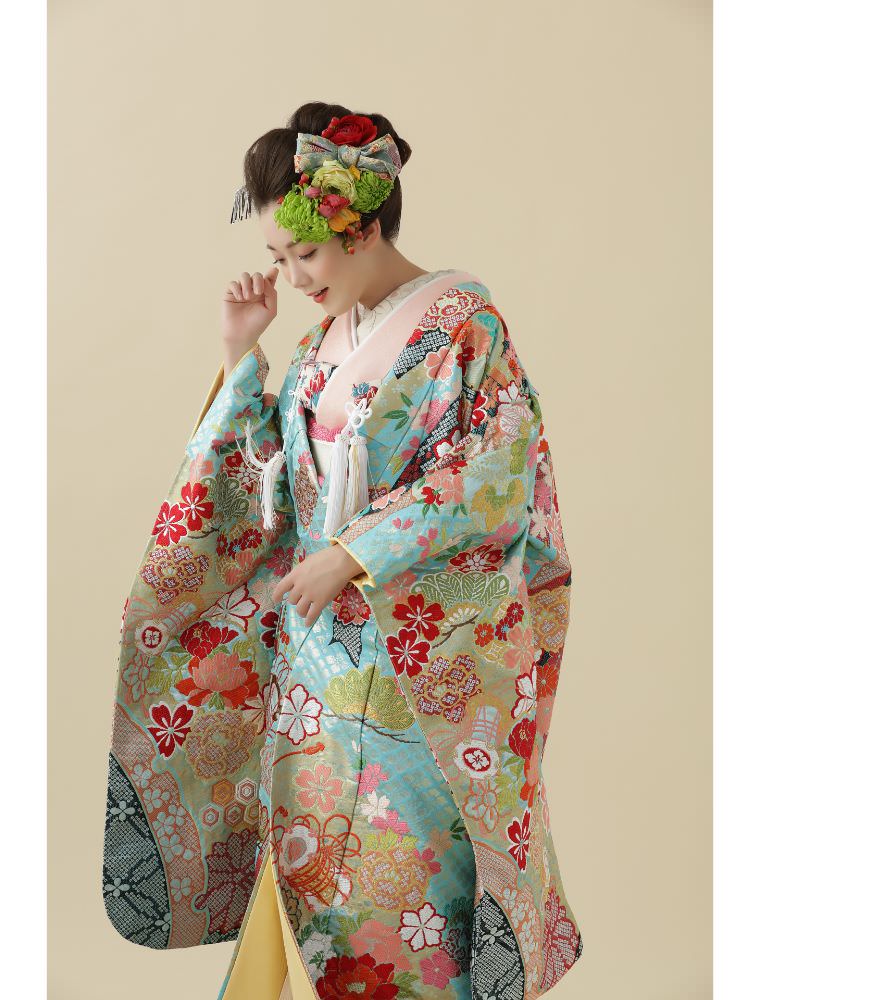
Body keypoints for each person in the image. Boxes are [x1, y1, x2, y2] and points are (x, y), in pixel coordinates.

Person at [103, 102, 583, 1000]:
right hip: (316, 670)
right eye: (278, 257)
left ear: (360, 226)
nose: (290, 277)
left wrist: (354, 553)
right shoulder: (321, 345)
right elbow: (273, 486)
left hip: (417, 669)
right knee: (312, 877)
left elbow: (494, 470)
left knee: (405, 893)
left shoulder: (464, 325)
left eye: (305, 255)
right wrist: (241, 354)